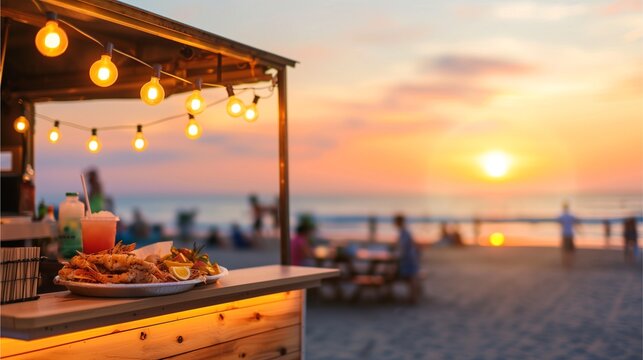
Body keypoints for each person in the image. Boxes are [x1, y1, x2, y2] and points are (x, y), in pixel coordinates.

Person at [393, 213, 420, 303]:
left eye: (395, 222)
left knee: (410, 278)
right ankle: (412, 297)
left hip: (408, 258)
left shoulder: (404, 232)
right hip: (409, 257)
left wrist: (398, 254)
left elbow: (404, 247)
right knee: (410, 278)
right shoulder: (404, 232)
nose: (394, 224)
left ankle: (413, 298)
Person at [558, 202, 579, 268]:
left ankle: (565, 263)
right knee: (570, 250)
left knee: (564, 249)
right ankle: (570, 263)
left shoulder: (561, 216)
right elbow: (576, 221)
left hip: (564, 234)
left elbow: (559, 222)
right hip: (570, 234)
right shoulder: (571, 216)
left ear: (563, 208)